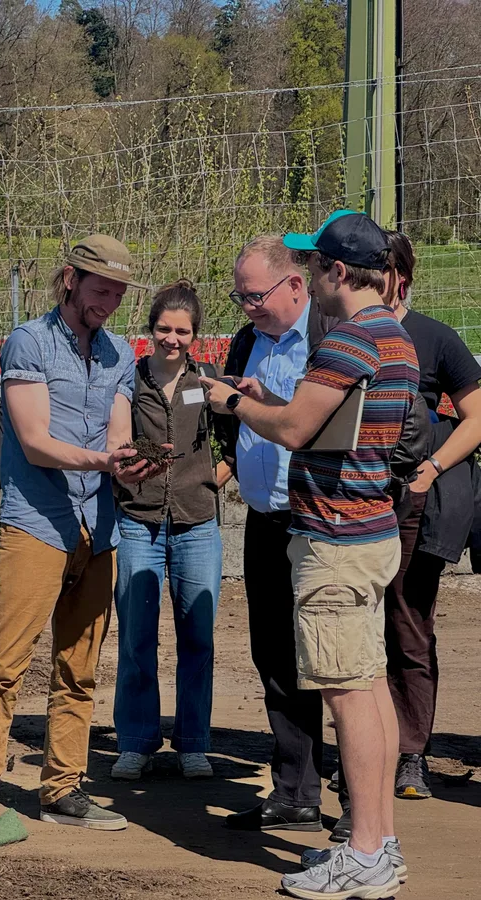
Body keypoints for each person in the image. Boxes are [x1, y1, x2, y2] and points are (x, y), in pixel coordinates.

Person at [204, 210, 418, 900]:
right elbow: (334, 421)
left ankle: (363, 854)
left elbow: (297, 430)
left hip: (335, 535)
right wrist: (278, 398)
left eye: (315, 267)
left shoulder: (349, 339)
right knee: (370, 686)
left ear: (332, 272)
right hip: (370, 528)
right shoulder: (395, 335)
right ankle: (377, 840)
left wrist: (236, 401)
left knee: (347, 693)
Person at [0, 235, 163, 841]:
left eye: (119, 293)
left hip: (101, 528)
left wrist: (135, 459)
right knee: (5, 665)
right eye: (101, 290)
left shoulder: (122, 354)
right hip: (37, 524)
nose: (110, 303)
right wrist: (104, 462)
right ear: (70, 279)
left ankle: (63, 786)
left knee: (80, 668)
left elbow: (118, 435)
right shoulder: (29, 342)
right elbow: (35, 440)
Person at [212, 235, 337, 834]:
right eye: (239, 297)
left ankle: (363, 806)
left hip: (320, 522)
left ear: (295, 285)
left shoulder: (332, 336)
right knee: (276, 658)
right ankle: (293, 792)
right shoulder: (247, 340)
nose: (247, 307)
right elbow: (233, 421)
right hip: (264, 521)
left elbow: (323, 422)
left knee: (336, 662)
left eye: (254, 295)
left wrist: (261, 401)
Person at [110, 281, 232, 782]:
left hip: (197, 524)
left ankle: (193, 743)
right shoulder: (129, 380)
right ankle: (137, 741)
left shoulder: (208, 384)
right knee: (137, 638)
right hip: (138, 523)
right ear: (150, 330)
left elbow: (237, 443)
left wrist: (211, 479)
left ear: (195, 336)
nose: (172, 338)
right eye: (164, 328)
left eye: (183, 331)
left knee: (196, 638)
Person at [377, 231, 481, 800]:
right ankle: (366, 748)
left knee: (409, 625)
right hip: (356, 501)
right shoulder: (345, 335)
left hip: (416, 504)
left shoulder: (436, 339)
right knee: (360, 630)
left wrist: (433, 467)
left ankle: (411, 753)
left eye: (382, 268)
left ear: (402, 277)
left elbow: (476, 416)